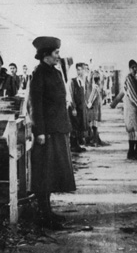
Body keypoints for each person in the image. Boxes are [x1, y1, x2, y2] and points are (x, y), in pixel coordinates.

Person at [29, 36, 76, 230]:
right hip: (47, 131)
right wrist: (39, 131)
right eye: (56, 53)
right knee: (44, 174)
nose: (59, 56)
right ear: (46, 55)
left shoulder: (54, 72)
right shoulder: (39, 73)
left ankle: (48, 211)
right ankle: (43, 214)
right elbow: (36, 104)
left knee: (53, 173)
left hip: (58, 129)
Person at [69, 63, 88, 152]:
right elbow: (71, 96)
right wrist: (73, 108)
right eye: (78, 69)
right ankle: (73, 145)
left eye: (81, 69)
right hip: (75, 108)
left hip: (81, 108)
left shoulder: (81, 81)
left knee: (79, 125)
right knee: (74, 126)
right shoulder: (72, 81)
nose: (80, 71)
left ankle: (77, 144)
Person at [86, 71, 104, 146]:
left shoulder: (95, 87)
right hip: (96, 108)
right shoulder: (97, 87)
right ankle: (95, 140)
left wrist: (88, 104)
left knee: (94, 126)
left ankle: (95, 141)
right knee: (94, 126)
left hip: (94, 109)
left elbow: (92, 97)